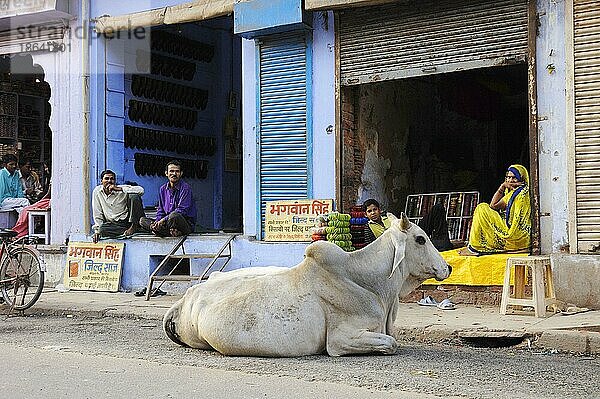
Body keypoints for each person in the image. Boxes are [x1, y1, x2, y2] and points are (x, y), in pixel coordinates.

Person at [459, 164, 531, 256]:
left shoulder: (523, 194)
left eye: (514, 178)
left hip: (516, 237)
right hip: (518, 238)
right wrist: (502, 187)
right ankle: (475, 246)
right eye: (508, 177)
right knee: (483, 207)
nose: (510, 180)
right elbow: (494, 205)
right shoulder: (513, 193)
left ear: (522, 179)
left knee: (482, 208)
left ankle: (474, 248)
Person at [139, 160, 196, 237]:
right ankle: (167, 232)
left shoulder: (185, 188)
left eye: (177, 171)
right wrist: (157, 222)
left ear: (181, 173)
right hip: (167, 223)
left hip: (183, 223)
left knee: (174, 216)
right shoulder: (162, 189)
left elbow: (182, 210)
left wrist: (163, 220)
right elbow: (160, 210)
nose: (174, 174)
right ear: (166, 173)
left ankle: (161, 232)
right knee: (142, 220)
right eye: (171, 171)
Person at [92, 169, 145, 243]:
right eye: (106, 178)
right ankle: (134, 229)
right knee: (102, 230)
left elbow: (141, 190)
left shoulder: (121, 189)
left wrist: (119, 189)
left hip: (128, 220)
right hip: (114, 225)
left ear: (115, 181)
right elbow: (97, 213)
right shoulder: (97, 192)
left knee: (134, 196)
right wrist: (97, 231)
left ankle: (134, 226)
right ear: (101, 181)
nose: (109, 181)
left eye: (112, 179)